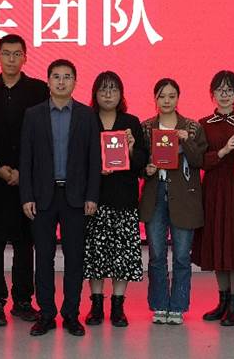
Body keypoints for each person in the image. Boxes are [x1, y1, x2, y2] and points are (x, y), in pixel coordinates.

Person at [19, 59, 101, 337]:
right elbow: (26, 159)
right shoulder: (33, 114)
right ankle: (46, 314)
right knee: (43, 258)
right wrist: (26, 196)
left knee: (74, 258)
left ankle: (71, 314)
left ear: (75, 81)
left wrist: (92, 195)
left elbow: (94, 159)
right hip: (43, 196)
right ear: (48, 81)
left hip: (75, 197)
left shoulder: (86, 115)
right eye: (56, 77)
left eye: (67, 77)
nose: (62, 82)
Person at [0, 34, 49, 326]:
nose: (11, 59)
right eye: (6, 53)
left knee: (24, 243)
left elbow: (42, 136)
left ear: (25, 58)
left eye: (17, 54)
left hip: (26, 180)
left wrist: (22, 171)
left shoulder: (38, 90)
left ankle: (22, 300)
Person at [193, 71, 234, 327]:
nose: (224, 95)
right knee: (218, 245)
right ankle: (221, 302)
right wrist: (223, 150)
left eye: (229, 90)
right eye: (220, 90)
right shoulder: (203, 123)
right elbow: (201, 161)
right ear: (212, 93)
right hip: (213, 190)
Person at [140, 78, 208, 326]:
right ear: (155, 99)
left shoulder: (192, 127)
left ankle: (178, 306)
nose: (167, 101)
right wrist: (146, 169)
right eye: (162, 96)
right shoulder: (145, 128)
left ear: (178, 98)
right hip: (155, 195)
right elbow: (137, 162)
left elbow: (199, 160)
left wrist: (185, 140)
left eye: (171, 96)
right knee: (157, 255)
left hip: (184, 197)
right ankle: (159, 304)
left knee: (181, 256)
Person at [82, 71, 148, 328]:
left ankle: (118, 307)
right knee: (95, 255)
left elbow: (141, 162)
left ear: (121, 94)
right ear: (95, 94)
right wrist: (95, 169)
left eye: (113, 89)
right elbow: (78, 158)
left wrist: (130, 149)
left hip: (124, 199)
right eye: (103, 89)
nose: (108, 94)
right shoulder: (86, 120)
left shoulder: (131, 122)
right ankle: (96, 305)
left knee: (123, 254)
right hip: (94, 199)